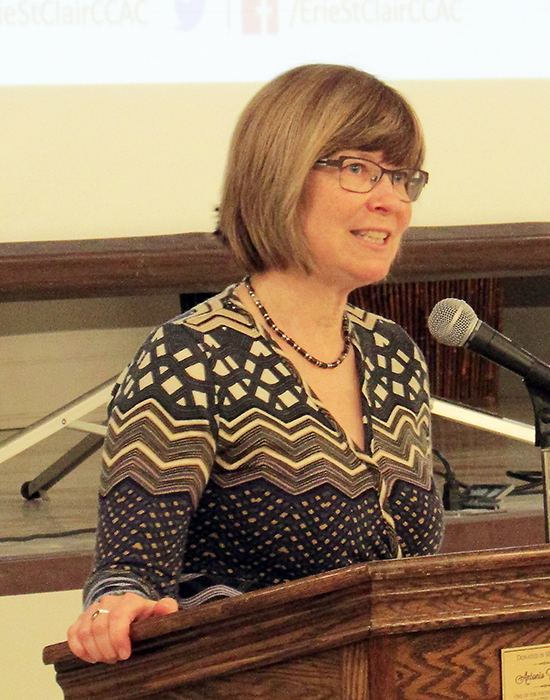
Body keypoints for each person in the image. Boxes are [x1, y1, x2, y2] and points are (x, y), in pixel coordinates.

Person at [67, 63, 445, 664]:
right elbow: (130, 572)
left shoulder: (393, 354)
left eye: (402, 178)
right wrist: (119, 604)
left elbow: (420, 578)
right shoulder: (191, 358)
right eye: (358, 169)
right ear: (281, 176)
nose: (390, 201)